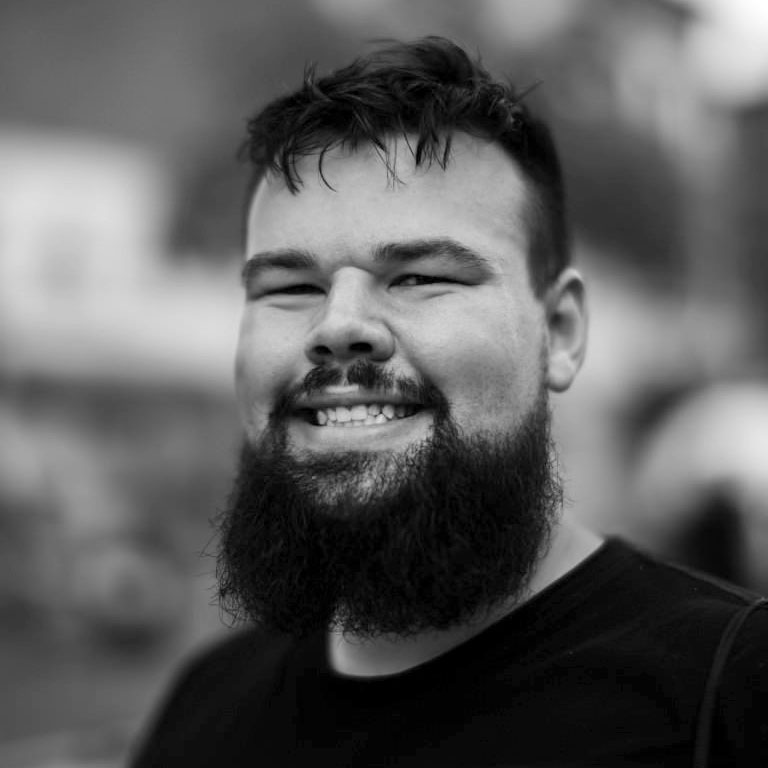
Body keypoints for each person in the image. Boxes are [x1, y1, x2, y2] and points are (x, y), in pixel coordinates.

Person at [130, 37, 767, 767]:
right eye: (289, 288)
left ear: (559, 333)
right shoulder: (206, 704)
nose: (338, 327)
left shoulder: (733, 694)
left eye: (420, 276)